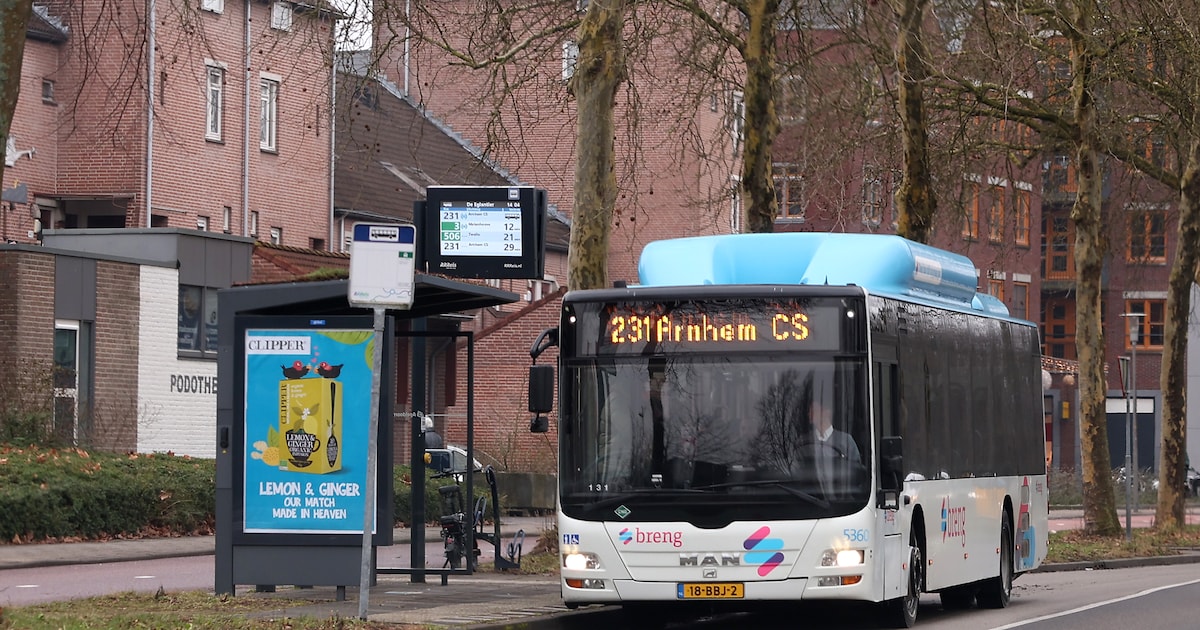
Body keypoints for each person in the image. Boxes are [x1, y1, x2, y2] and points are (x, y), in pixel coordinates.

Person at [810, 395, 861, 492]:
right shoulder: (803, 442)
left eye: (814, 411)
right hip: (806, 496)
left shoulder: (846, 441)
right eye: (810, 411)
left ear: (826, 412)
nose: (810, 414)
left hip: (842, 498)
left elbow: (857, 474)